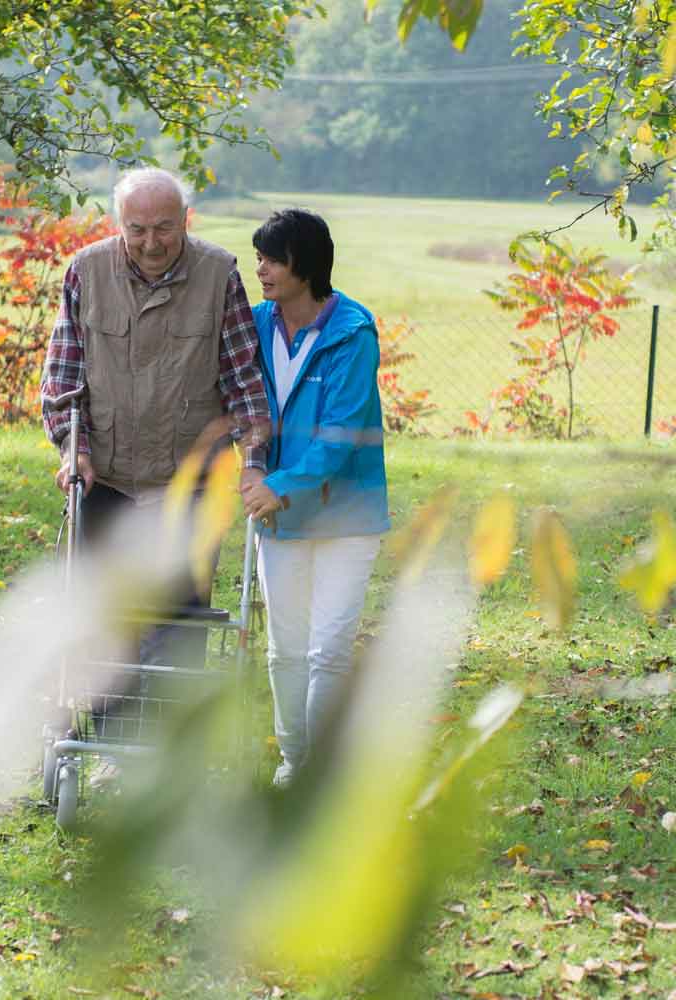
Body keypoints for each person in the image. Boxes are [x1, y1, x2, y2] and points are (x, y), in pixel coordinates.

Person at [40, 167, 270, 663]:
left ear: (186, 220)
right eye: (137, 229)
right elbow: (62, 378)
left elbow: (242, 380)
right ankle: (103, 733)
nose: (150, 242)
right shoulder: (85, 271)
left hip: (189, 483)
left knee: (179, 623)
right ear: (119, 223)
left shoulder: (218, 274)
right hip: (106, 479)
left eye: (164, 227)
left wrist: (254, 461)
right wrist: (72, 449)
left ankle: (169, 732)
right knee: (102, 620)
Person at [239, 209, 390, 787]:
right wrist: (255, 472)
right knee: (285, 651)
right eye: (259, 259)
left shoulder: (352, 332)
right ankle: (294, 761)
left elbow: (343, 433)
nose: (262, 270)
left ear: (306, 264)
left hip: (347, 518)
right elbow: (240, 403)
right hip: (279, 522)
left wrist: (276, 485)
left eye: (273, 259)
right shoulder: (253, 325)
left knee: (329, 649)